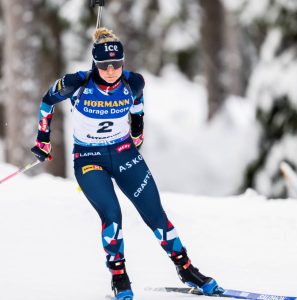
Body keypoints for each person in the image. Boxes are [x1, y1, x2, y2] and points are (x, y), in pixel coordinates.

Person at [30, 27, 222, 300]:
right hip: (88, 158)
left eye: (116, 64)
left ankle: (186, 268)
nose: (111, 70)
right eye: (104, 65)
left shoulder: (134, 82)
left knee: (156, 214)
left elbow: (138, 106)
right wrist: (42, 141)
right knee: (112, 215)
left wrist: (137, 133)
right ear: (95, 63)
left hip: (123, 153)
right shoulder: (78, 83)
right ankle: (119, 277)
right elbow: (47, 102)